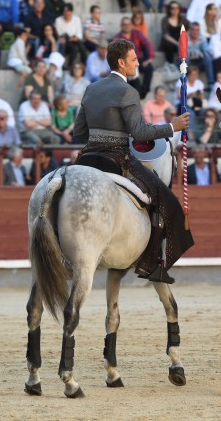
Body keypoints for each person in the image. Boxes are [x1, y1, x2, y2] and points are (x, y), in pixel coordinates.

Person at [73, 38, 192, 283]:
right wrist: (172, 126)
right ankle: (152, 263)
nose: (138, 62)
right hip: (117, 159)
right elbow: (139, 133)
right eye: (134, 59)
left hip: (86, 159)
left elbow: (79, 134)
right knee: (160, 195)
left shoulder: (91, 89)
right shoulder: (128, 91)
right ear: (121, 62)